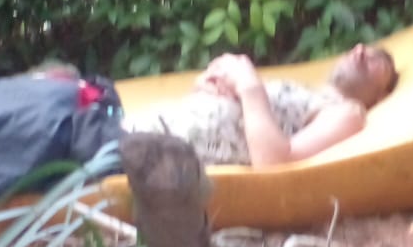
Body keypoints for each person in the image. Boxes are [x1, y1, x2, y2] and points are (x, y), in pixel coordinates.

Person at [122, 43, 398, 166]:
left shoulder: (348, 112)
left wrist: (248, 86)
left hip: (142, 150)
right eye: (360, 49)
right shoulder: (304, 92)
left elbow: (275, 164)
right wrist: (210, 84)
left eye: (377, 61)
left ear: (380, 97)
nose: (360, 50)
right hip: (136, 127)